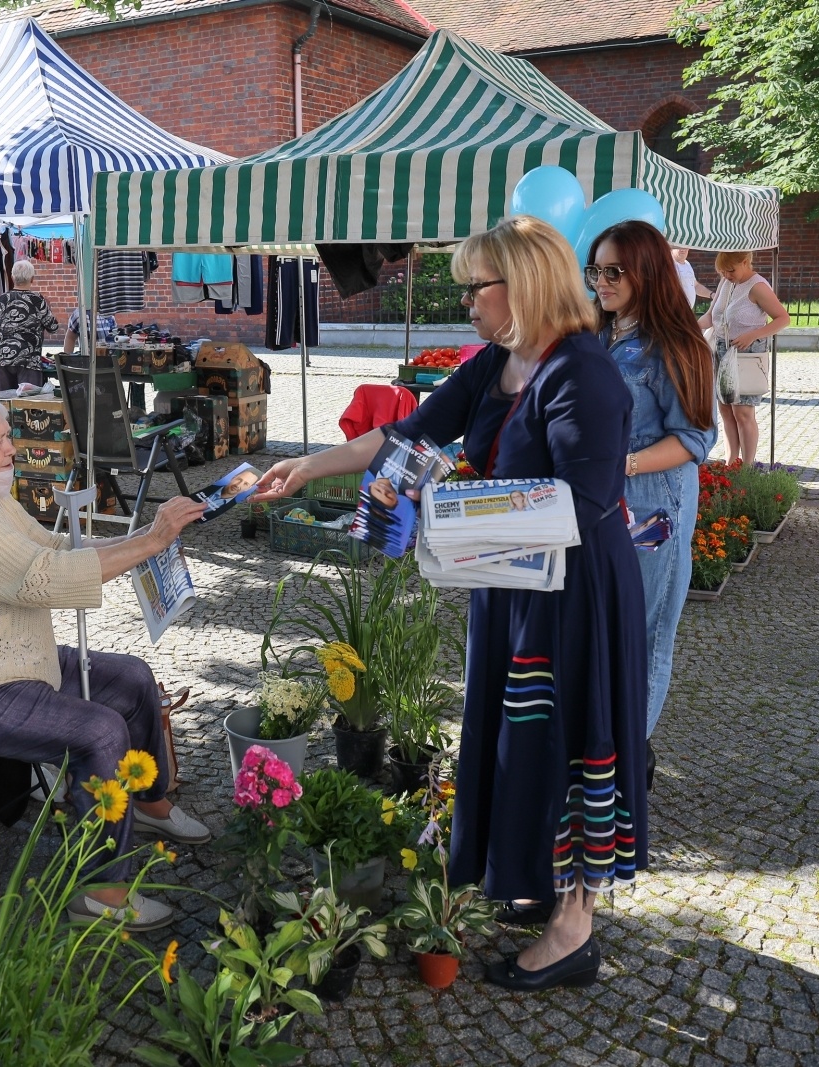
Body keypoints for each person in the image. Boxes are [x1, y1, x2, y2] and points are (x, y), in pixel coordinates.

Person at [253, 216, 647, 991]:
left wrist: (457, 517)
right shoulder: (499, 360)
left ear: (523, 284)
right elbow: (409, 437)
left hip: (577, 594)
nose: (465, 301)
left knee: (573, 737)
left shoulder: (583, 374)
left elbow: (585, 501)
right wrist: (309, 466)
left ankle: (576, 926)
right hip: (515, 580)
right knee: (521, 737)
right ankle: (542, 880)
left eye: (475, 288)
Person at [0, 393, 210, 932]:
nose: (11, 449)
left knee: (133, 679)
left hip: (18, 664)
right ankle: (101, 890)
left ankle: (149, 804)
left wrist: (145, 539)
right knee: (100, 732)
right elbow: (44, 578)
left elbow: (56, 549)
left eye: (8, 436)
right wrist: (150, 539)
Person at [587, 221, 718, 769]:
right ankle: (599, 751)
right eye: (595, 270)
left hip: (651, 505)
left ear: (646, 272)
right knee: (600, 628)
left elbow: (695, 438)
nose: (601, 281)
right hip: (594, 501)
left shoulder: (678, 344)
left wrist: (623, 464)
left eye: (614, 271)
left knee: (645, 633)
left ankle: (625, 766)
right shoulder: (596, 334)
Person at [698, 251, 789, 464]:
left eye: (731, 270)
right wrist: (687, 327)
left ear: (745, 262)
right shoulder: (726, 282)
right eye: (722, 272)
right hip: (722, 350)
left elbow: (783, 318)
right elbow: (711, 317)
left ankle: (747, 467)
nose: (727, 275)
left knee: (743, 412)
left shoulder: (758, 286)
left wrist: (754, 334)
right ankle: (731, 461)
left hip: (746, 353)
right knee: (726, 409)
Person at [0, 261, 58, 390]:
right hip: (28, 359)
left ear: (12, 278)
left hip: (2, 357)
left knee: (3, 399)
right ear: (32, 279)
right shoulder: (37, 299)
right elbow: (53, 327)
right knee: (27, 400)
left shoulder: (2, 299)